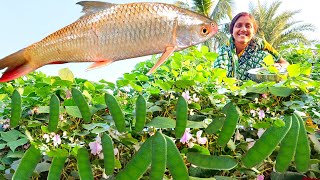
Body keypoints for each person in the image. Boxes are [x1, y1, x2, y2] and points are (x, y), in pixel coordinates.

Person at [214, 12, 289, 80]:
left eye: (248, 26)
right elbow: (219, 70)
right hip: (229, 87)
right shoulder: (225, 50)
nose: (243, 29)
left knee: (263, 55)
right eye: (238, 26)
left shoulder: (261, 44)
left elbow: (285, 63)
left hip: (254, 86)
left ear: (253, 31)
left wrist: (278, 66)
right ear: (232, 31)